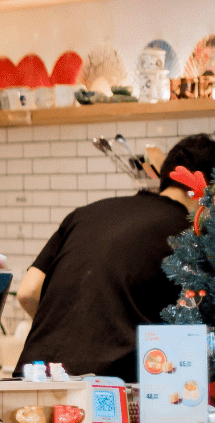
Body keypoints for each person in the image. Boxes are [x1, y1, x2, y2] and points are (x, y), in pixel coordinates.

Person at [14, 134, 215, 380]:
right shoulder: (192, 236)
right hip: (108, 391)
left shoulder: (87, 213)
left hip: (33, 379)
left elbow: (28, 292)